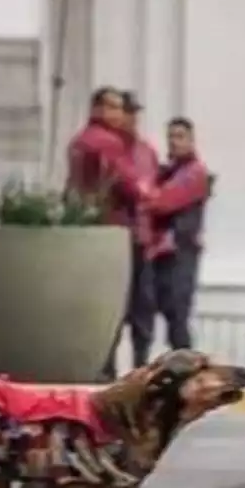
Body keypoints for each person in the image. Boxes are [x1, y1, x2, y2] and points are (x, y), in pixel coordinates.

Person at [65, 88, 161, 377]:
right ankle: (122, 369)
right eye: (115, 108)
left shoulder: (80, 142)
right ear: (98, 109)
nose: (120, 116)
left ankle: (107, 367)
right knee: (128, 304)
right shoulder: (107, 142)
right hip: (120, 232)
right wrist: (148, 192)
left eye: (124, 110)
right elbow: (130, 184)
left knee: (113, 304)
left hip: (96, 231)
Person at [131, 117, 213, 360]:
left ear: (191, 140)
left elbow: (162, 202)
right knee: (148, 312)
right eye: (171, 137)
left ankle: (188, 369)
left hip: (180, 253)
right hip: (160, 253)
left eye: (180, 136)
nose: (174, 142)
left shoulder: (194, 172)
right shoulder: (169, 172)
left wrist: (148, 195)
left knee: (177, 315)